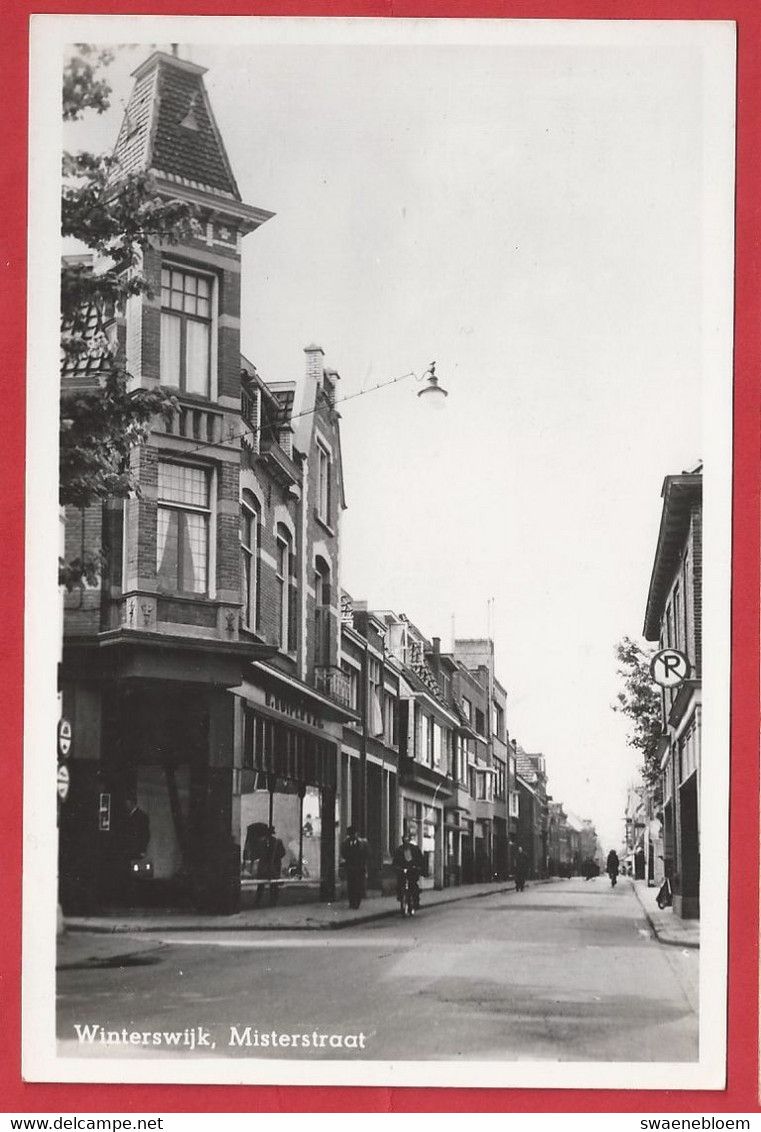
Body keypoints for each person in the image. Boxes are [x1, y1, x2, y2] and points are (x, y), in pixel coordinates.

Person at [119, 793, 150, 903]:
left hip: (135, 849)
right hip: (128, 849)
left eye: (127, 802)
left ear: (132, 803)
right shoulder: (129, 816)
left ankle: (134, 897)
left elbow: (145, 834)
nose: (125, 805)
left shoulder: (141, 816)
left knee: (135, 873)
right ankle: (129, 896)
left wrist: (142, 850)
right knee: (128, 872)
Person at [392, 833, 425, 913]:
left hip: (412, 871)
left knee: (413, 885)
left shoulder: (414, 849)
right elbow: (395, 861)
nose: (406, 842)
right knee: (400, 885)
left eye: (407, 840)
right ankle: (400, 897)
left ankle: (415, 901)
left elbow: (420, 859)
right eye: (404, 840)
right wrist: (396, 867)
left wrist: (418, 867)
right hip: (403, 871)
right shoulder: (399, 850)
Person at [254, 826, 285, 906]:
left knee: (269, 884)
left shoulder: (275, 842)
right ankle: (267, 901)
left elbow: (282, 853)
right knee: (265, 884)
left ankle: (265, 901)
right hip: (269, 865)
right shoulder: (266, 842)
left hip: (269, 865)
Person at [341, 825, 369, 909]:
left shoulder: (363, 843)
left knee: (358, 885)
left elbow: (367, 854)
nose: (352, 836)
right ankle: (351, 902)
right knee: (351, 885)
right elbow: (344, 853)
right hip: (350, 867)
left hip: (359, 867)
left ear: (357, 834)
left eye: (353, 834)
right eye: (351, 834)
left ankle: (357, 902)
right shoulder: (346, 843)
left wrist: (362, 862)